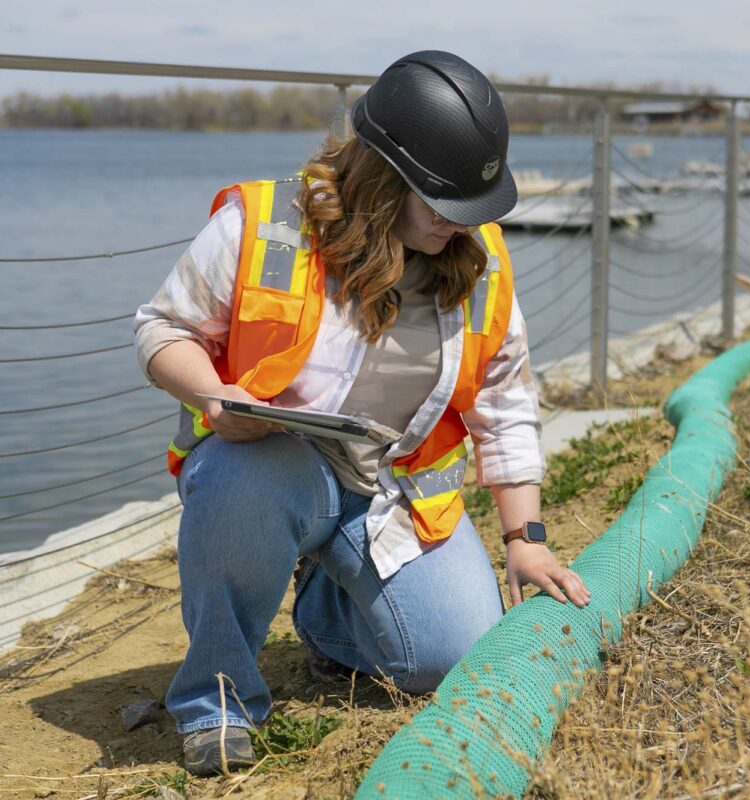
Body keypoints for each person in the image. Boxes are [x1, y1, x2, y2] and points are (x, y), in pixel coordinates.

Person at [134, 50, 590, 776]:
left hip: (393, 495)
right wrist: (216, 399)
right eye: (442, 204)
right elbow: (162, 331)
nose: (458, 225)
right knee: (237, 483)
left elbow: (506, 404)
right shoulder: (265, 227)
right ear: (385, 180)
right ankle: (216, 701)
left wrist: (525, 538)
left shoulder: (481, 260)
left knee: (451, 656)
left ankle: (324, 614)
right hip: (267, 468)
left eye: (472, 207)